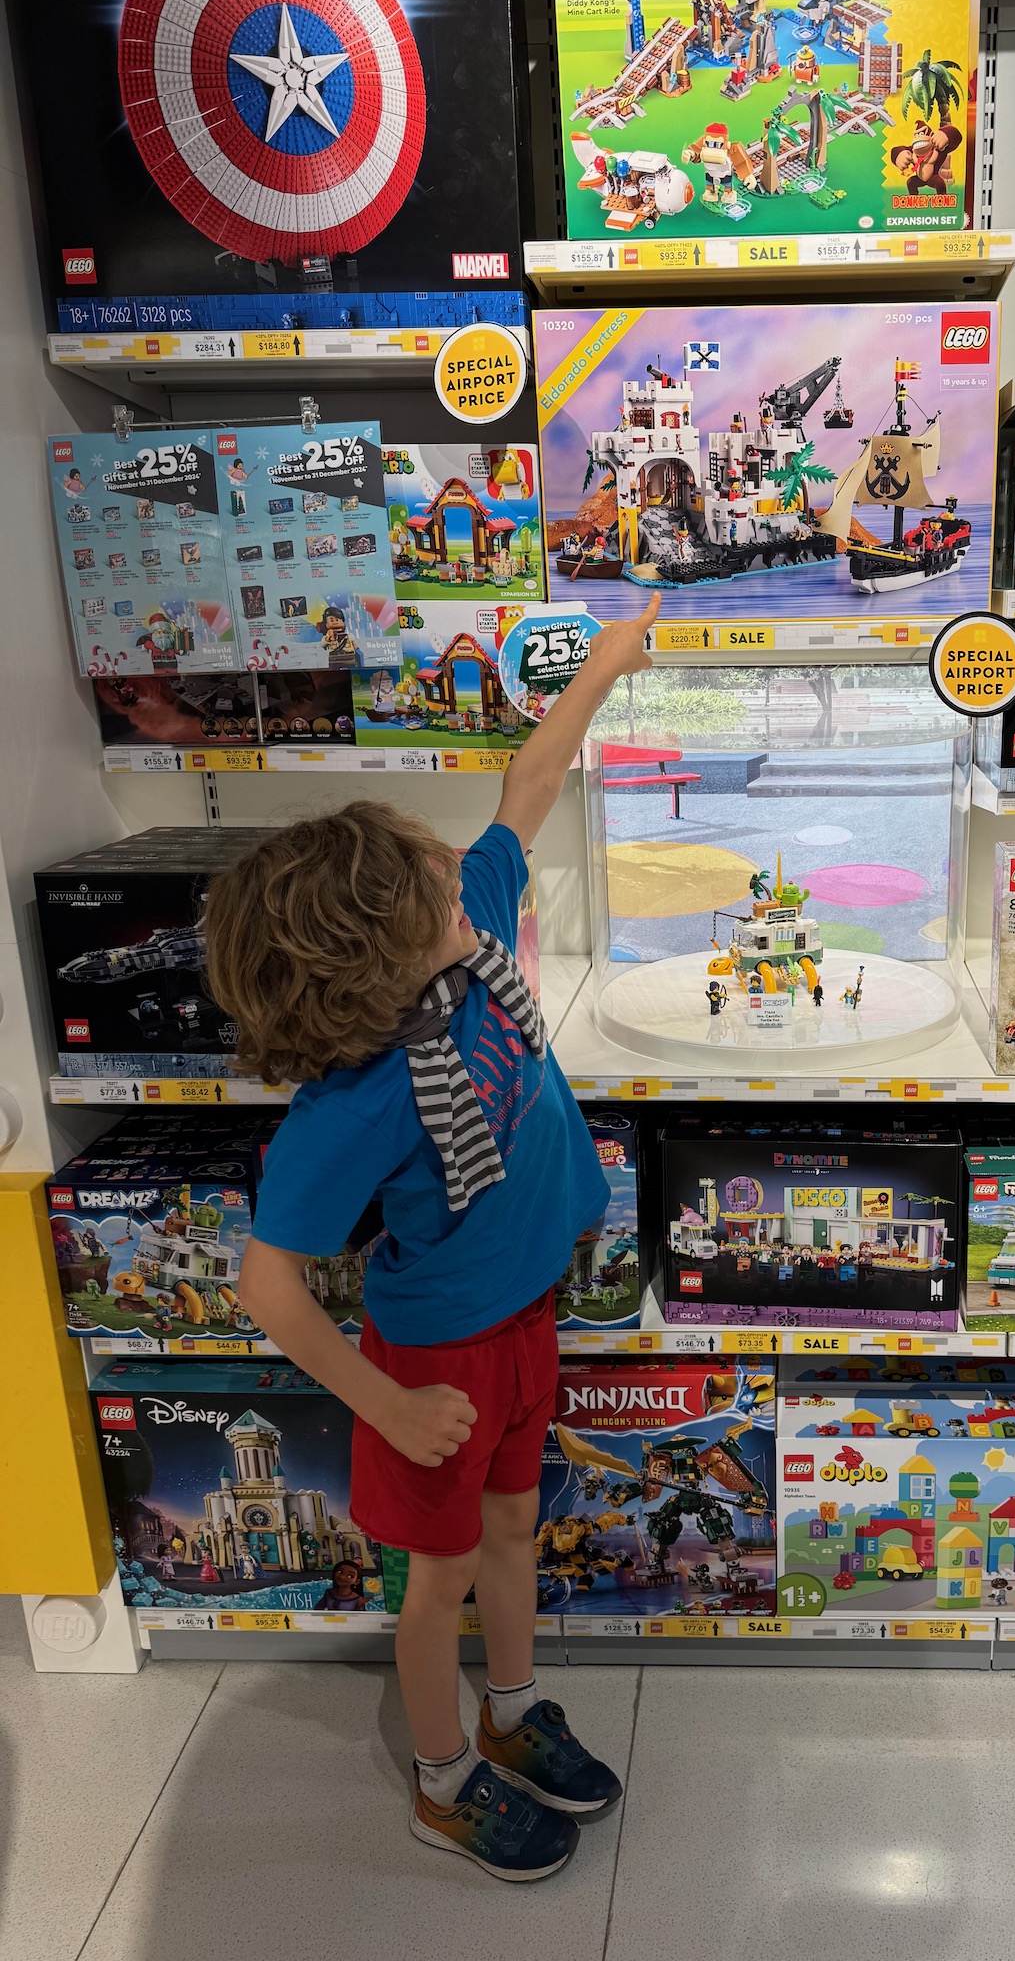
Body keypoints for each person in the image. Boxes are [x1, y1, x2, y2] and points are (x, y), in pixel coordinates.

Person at [205, 594, 660, 1884]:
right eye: (432, 896)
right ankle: (442, 1777)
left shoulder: (468, 951)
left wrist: (609, 669)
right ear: (377, 963)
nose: (460, 888)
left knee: (513, 1533)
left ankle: (511, 1718)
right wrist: (386, 1410)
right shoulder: (349, 1101)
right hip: (436, 1364)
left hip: (525, 1323)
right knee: (438, 1582)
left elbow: (530, 779)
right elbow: (267, 1284)